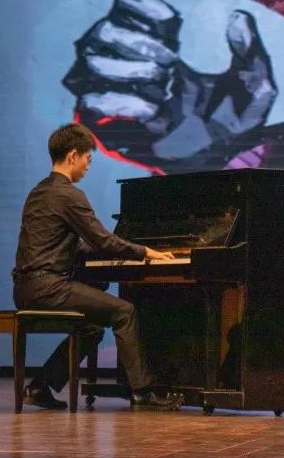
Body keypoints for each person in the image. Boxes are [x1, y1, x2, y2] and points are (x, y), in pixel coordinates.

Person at [11, 123, 184, 410]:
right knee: (125, 311)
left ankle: (40, 386)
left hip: (24, 288)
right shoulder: (69, 195)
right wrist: (145, 252)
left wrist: (112, 250)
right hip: (49, 288)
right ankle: (143, 393)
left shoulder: (38, 192)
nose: (88, 167)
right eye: (88, 159)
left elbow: (66, 244)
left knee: (92, 329)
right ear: (72, 156)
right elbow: (103, 241)